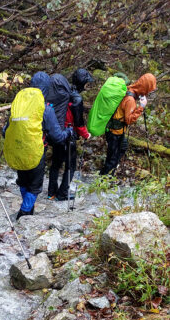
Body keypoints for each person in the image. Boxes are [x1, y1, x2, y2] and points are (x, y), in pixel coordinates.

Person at [8, 71, 72, 220]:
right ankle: (23, 214)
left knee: (23, 182)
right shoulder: (45, 109)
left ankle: (28, 211)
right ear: (46, 88)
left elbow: (6, 131)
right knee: (35, 186)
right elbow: (57, 137)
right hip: (35, 152)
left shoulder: (18, 105)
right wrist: (68, 132)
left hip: (17, 150)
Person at [47, 68, 93, 201]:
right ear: (82, 83)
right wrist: (86, 135)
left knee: (55, 163)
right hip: (68, 136)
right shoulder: (76, 99)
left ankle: (51, 192)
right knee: (70, 166)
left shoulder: (62, 92)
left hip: (57, 132)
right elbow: (78, 123)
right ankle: (62, 194)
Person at [99, 72, 156, 175]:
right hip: (115, 133)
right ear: (145, 87)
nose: (149, 92)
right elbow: (129, 120)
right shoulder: (130, 99)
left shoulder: (129, 89)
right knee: (112, 160)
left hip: (116, 131)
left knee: (121, 149)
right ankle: (102, 181)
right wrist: (141, 107)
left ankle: (107, 178)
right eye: (149, 89)